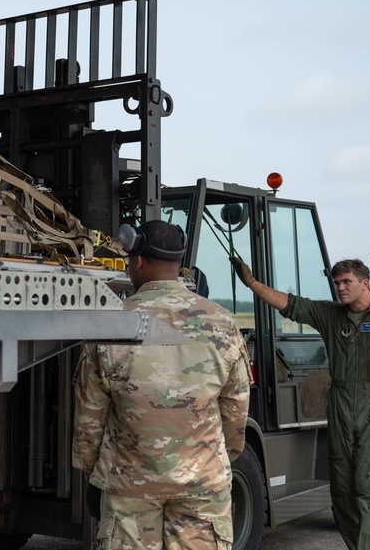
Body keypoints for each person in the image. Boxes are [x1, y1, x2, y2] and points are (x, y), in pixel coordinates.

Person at [72, 220, 251, 550]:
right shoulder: (223, 322)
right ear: (177, 262)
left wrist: (95, 474)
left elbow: (89, 421)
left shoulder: (111, 324)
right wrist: (214, 460)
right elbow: (236, 408)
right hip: (202, 482)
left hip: (129, 487)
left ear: (137, 261)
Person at [230, 255, 370, 550]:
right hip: (340, 405)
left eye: (346, 282)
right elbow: (292, 305)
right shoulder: (332, 314)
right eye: (337, 283)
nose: (340, 288)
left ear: (364, 283)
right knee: (343, 491)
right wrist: (252, 283)